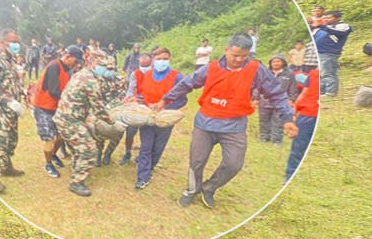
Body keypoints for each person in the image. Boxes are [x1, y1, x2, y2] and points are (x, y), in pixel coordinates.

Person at [156, 34, 298, 209]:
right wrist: (166, 99)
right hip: (205, 123)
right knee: (196, 162)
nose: (238, 60)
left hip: (234, 125)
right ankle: (192, 190)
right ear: (226, 50)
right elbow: (187, 83)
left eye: (243, 56)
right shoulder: (211, 68)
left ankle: (209, 187)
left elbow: (276, 93)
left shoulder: (256, 70)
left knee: (234, 164)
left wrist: (287, 119)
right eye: (235, 55)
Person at [53, 50, 122, 197]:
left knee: (78, 148)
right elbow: (99, 109)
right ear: (92, 63)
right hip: (70, 121)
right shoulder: (90, 81)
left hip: (66, 118)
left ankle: (76, 169)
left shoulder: (82, 74)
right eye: (102, 65)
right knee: (89, 149)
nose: (104, 68)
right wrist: (112, 122)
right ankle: (76, 182)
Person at [128, 48, 186, 190]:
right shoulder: (147, 75)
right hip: (148, 116)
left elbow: (183, 100)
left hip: (165, 118)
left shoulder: (177, 77)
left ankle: (151, 166)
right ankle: (143, 177)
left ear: (169, 59)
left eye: (165, 59)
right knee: (146, 147)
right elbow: (142, 94)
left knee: (158, 148)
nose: (162, 62)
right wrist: (138, 100)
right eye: (159, 59)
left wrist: (165, 108)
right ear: (153, 60)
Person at [0, 29, 27, 193]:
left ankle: (6, 167)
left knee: (12, 139)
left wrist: (23, 92)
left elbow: (12, 82)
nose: (17, 45)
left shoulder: (11, 60)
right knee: (0, 140)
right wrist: (8, 101)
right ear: (3, 43)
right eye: (14, 42)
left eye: (17, 42)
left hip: (12, 109)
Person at [30, 45, 81, 178]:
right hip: (43, 107)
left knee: (61, 135)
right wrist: (69, 100)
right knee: (49, 138)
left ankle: (53, 154)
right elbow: (53, 91)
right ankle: (48, 164)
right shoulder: (54, 66)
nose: (76, 65)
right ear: (68, 57)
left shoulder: (67, 70)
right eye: (75, 61)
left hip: (56, 107)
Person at [253, 53, 298, 145]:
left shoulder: (289, 74)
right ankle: (264, 138)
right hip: (265, 101)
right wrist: (256, 98)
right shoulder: (265, 73)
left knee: (278, 121)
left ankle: (277, 140)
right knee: (263, 120)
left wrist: (291, 99)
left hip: (281, 102)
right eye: (274, 61)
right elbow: (258, 86)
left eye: (278, 61)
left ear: (283, 62)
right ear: (270, 63)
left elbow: (293, 87)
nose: (276, 63)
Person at [118, 53, 154, 166]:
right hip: (136, 106)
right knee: (130, 132)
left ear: (151, 63)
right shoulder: (135, 74)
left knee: (147, 135)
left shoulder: (155, 75)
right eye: (142, 65)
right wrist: (128, 99)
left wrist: (144, 100)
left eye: (147, 65)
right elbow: (131, 88)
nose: (144, 68)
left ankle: (143, 156)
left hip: (149, 107)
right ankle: (127, 153)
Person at [285, 68, 319, 182]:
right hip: (307, 114)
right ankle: (290, 176)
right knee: (298, 147)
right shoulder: (314, 73)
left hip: (316, 113)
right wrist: (294, 110)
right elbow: (304, 92)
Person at [313, 10, 353, 96]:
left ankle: (330, 92)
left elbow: (338, 32)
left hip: (329, 53)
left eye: (329, 17)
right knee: (320, 73)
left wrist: (322, 26)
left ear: (337, 18)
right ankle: (321, 91)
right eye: (325, 18)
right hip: (318, 53)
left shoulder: (342, 26)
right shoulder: (322, 28)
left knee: (328, 72)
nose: (326, 19)